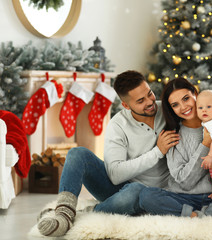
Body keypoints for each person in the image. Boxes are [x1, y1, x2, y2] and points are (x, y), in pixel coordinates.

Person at [36, 70, 180, 237]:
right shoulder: (118, 125)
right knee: (77, 154)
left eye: (150, 94)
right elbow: (115, 175)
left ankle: (85, 214)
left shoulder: (168, 110)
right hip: (121, 187)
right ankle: (63, 215)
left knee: (137, 191)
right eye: (141, 101)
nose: (150, 102)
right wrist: (157, 152)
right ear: (126, 105)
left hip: (153, 193)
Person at [139, 77, 212, 218]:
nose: (183, 107)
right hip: (182, 197)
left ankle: (206, 213)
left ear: (195, 95)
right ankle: (198, 215)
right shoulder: (172, 135)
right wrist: (205, 144)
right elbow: (184, 182)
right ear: (171, 109)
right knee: (147, 196)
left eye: (186, 99)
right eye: (175, 105)